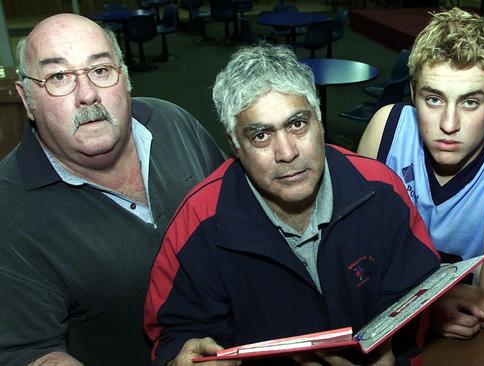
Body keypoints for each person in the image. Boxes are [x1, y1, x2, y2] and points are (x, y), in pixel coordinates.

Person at [144, 44, 441, 366]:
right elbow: (174, 334)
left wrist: (392, 352)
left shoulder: (381, 190)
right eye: (260, 135)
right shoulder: (199, 222)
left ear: (320, 121)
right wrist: (181, 358)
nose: (286, 152)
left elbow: (417, 294)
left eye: (297, 124)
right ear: (234, 145)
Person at [0, 14, 224, 366]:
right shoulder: (9, 209)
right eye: (59, 77)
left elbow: (241, 207)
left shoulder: (173, 122)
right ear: (27, 100)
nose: (87, 95)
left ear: (125, 76)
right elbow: (33, 354)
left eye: (101, 70)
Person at [356, 7, 484, 339]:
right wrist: (427, 306)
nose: (449, 124)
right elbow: (353, 257)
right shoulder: (386, 128)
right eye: (433, 99)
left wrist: (391, 291)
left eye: (470, 103)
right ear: (413, 90)